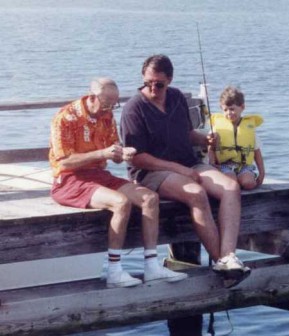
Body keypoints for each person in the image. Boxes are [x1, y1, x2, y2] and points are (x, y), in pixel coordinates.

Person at [49, 77, 187, 288]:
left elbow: (112, 149)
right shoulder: (65, 118)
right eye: (106, 104)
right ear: (93, 97)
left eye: (114, 105)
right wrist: (102, 152)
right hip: (70, 179)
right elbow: (64, 161)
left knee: (150, 198)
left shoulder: (106, 116)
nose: (110, 109)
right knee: (121, 203)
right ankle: (114, 271)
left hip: (97, 175)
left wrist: (122, 153)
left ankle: (152, 267)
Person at [120, 54, 250, 278]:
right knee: (196, 193)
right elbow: (137, 158)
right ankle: (221, 261)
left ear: (169, 80)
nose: (153, 88)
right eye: (147, 82)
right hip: (151, 173)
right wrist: (179, 170)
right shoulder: (134, 108)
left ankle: (228, 257)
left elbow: (187, 134)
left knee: (230, 187)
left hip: (188, 163)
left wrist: (204, 139)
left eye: (159, 84)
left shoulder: (177, 98)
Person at [208, 86, 265, 190]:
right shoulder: (216, 129)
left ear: (242, 107)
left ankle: (246, 178)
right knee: (231, 183)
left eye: (232, 109)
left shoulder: (249, 128)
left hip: (244, 166)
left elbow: (257, 152)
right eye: (225, 110)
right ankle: (235, 181)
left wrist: (262, 173)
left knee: (249, 184)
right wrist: (212, 163)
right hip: (224, 166)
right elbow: (210, 148)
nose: (229, 113)